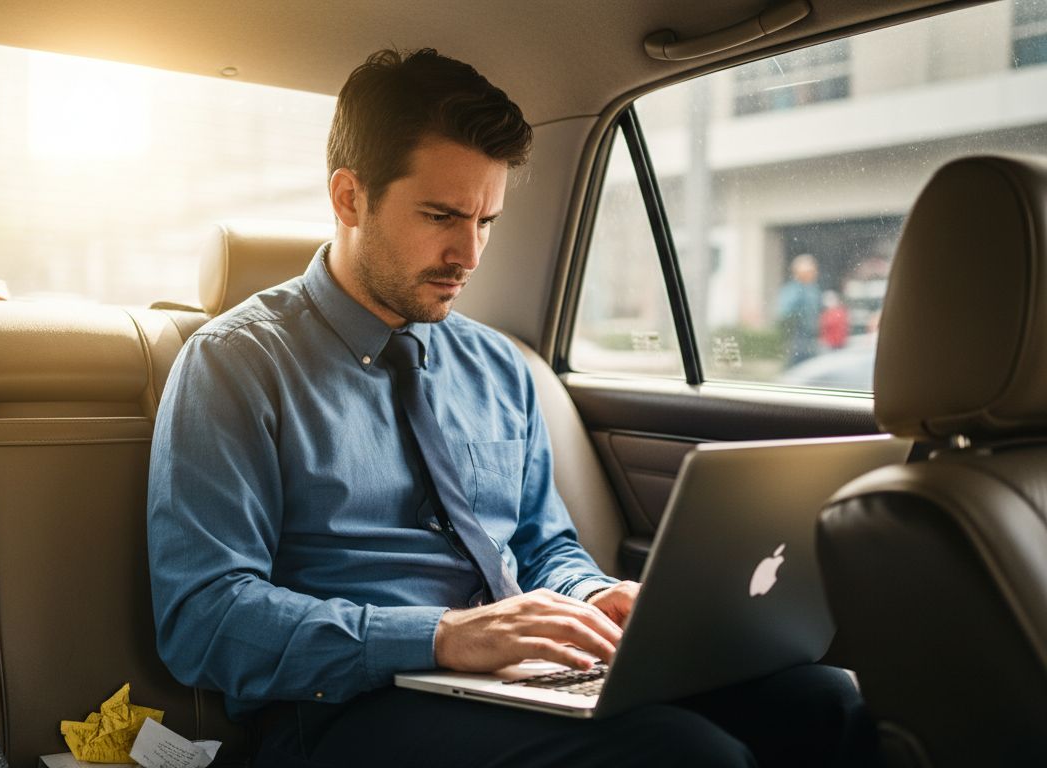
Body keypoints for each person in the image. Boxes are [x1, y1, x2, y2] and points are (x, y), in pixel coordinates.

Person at [147, 49, 879, 768]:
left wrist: (592, 595)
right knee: (685, 755)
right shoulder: (235, 365)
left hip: (513, 680)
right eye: (441, 216)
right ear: (349, 197)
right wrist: (441, 636)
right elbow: (204, 618)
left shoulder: (498, 366)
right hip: (341, 713)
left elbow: (541, 545)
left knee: (824, 701)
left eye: (487, 220)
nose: (469, 254)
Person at [777, 254, 823, 366]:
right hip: (797, 337)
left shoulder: (814, 290)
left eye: (814, 271)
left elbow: (817, 311)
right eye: (809, 271)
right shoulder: (792, 291)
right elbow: (783, 313)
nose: (814, 274)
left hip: (813, 337)